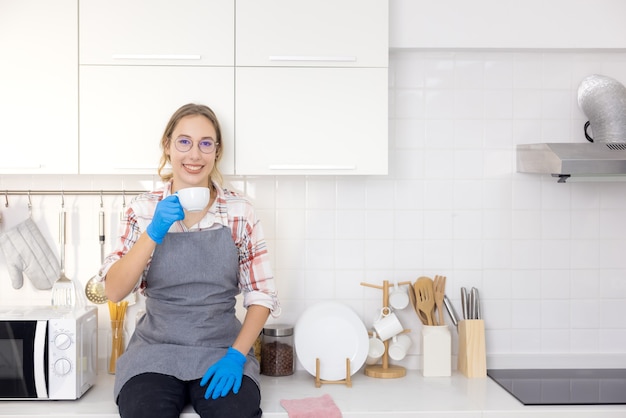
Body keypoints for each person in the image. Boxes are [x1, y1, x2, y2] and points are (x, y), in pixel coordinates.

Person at [98, 103, 280, 418]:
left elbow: (262, 295)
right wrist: (153, 231)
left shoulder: (240, 212)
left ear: (216, 152)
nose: (194, 154)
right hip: (154, 352)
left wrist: (236, 356)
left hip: (221, 349)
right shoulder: (141, 210)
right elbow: (114, 291)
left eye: (205, 143)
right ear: (167, 146)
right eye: (184, 142)